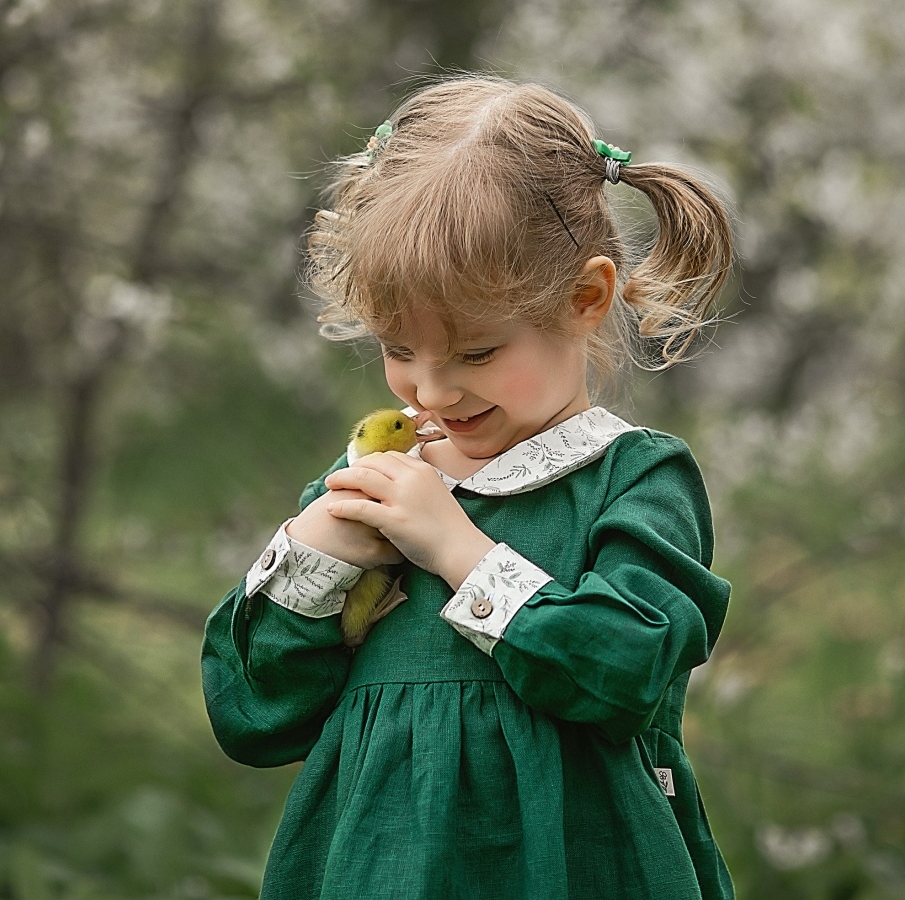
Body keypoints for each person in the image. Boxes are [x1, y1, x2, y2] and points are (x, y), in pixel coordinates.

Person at [200, 75, 737, 899]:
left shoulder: (633, 479)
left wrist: (459, 551)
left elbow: (626, 672)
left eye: (477, 354)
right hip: (374, 872)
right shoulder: (378, 485)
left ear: (586, 299)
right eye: (397, 348)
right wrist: (313, 556)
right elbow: (254, 718)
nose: (430, 391)